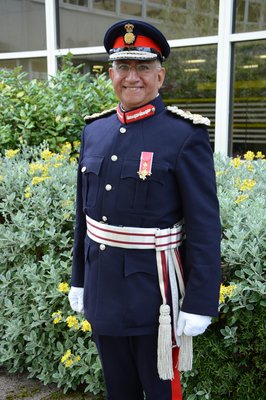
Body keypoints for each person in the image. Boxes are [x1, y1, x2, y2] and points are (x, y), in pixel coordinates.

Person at [68, 19, 221, 400]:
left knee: (159, 393)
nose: (131, 77)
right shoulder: (95, 131)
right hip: (103, 293)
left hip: (156, 301)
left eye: (142, 67)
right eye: (123, 67)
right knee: (117, 391)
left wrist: (200, 302)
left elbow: (204, 226)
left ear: (160, 76)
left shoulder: (184, 135)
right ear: (111, 73)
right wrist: (79, 279)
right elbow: (83, 219)